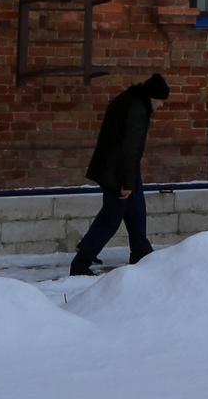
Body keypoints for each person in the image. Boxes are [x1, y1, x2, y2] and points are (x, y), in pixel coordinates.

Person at [69, 73, 170, 275]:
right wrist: (126, 182)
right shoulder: (138, 110)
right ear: (153, 97)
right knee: (111, 217)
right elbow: (129, 148)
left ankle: (141, 254)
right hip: (118, 171)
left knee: (136, 213)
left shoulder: (128, 100)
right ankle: (81, 263)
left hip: (118, 168)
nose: (161, 106)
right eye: (160, 101)